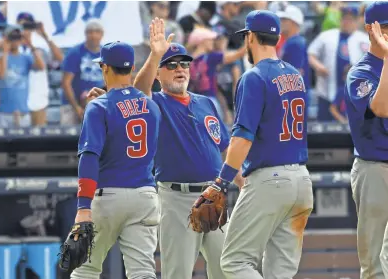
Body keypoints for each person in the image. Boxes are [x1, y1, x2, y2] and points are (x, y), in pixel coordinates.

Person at [88, 18, 232, 279]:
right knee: (177, 273)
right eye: (172, 64)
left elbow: (225, 148)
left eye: (184, 64)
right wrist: (155, 55)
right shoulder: (154, 105)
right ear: (158, 73)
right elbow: (139, 93)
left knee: (227, 270)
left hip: (214, 194)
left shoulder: (207, 103)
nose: (180, 69)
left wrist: (240, 183)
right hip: (175, 198)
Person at [190, 10, 313, 279]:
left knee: (234, 262)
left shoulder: (254, 76)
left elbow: (242, 138)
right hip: (302, 181)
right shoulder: (296, 76)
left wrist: (221, 182)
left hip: (270, 180)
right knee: (279, 272)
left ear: (250, 38)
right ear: (277, 37)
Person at [70, 41, 161, 279]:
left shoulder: (98, 107)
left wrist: (82, 207)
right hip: (145, 196)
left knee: (85, 270)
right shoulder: (151, 106)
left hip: (108, 196)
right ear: (131, 68)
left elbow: (89, 157)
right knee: (142, 272)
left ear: (104, 67)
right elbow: (128, 108)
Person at [344, 2, 388, 278]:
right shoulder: (360, 72)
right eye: (384, 29)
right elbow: (381, 108)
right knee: (373, 263)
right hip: (375, 169)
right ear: (369, 30)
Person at [308, 6, 367, 121]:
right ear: (340, 20)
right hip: (327, 92)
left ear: (356, 21)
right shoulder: (326, 36)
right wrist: (318, 66)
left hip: (356, 96)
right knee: (325, 131)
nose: (347, 22)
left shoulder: (364, 39)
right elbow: (311, 53)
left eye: (351, 19)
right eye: (345, 19)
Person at [17, 12, 64, 126]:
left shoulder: (41, 47)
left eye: (28, 26)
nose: (25, 30)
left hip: (38, 99)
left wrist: (44, 35)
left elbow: (61, 59)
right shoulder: (12, 47)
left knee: (38, 139)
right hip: (17, 101)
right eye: (22, 26)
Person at [0, 25, 45, 127]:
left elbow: (41, 66)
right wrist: (5, 50)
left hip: (22, 110)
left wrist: (30, 44)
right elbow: (1, 75)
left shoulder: (26, 57)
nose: (15, 40)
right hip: (4, 111)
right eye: (12, 37)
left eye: (18, 37)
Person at [61, 19, 104, 125]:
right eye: (90, 32)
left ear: (102, 34)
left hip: (97, 103)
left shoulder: (106, 54)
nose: (93, 35)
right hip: (72, 103)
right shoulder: (75, 53)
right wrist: (76, 107)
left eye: (97, 32)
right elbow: (66, 83)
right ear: (86, 34)